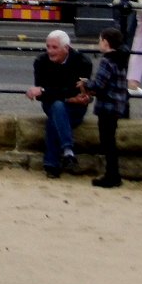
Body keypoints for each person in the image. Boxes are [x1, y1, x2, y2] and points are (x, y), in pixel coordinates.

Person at [26, 29, 93, 179]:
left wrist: (47, 91)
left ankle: (52, 164)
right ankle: (68, 150)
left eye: (54, 47)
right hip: (51, 104)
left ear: (66, 48)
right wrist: (65, 96)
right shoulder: (41, 62)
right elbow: (42, 97)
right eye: (48, 46)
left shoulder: (82, 62)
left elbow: (78, 92)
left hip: (76, 108)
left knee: (56, 114)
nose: (50, 51)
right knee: (56, 107)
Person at [86, 26, 130, 188]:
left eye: (100, 40)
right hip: (117, 105)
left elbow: (99, 85)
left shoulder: (107, 61)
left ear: (105, 42)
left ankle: (112, 175)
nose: (99, 43)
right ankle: (113, 174)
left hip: (107, 106)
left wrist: (85, 83)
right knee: (110, 140)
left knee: (107, 142)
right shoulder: (120, 59)